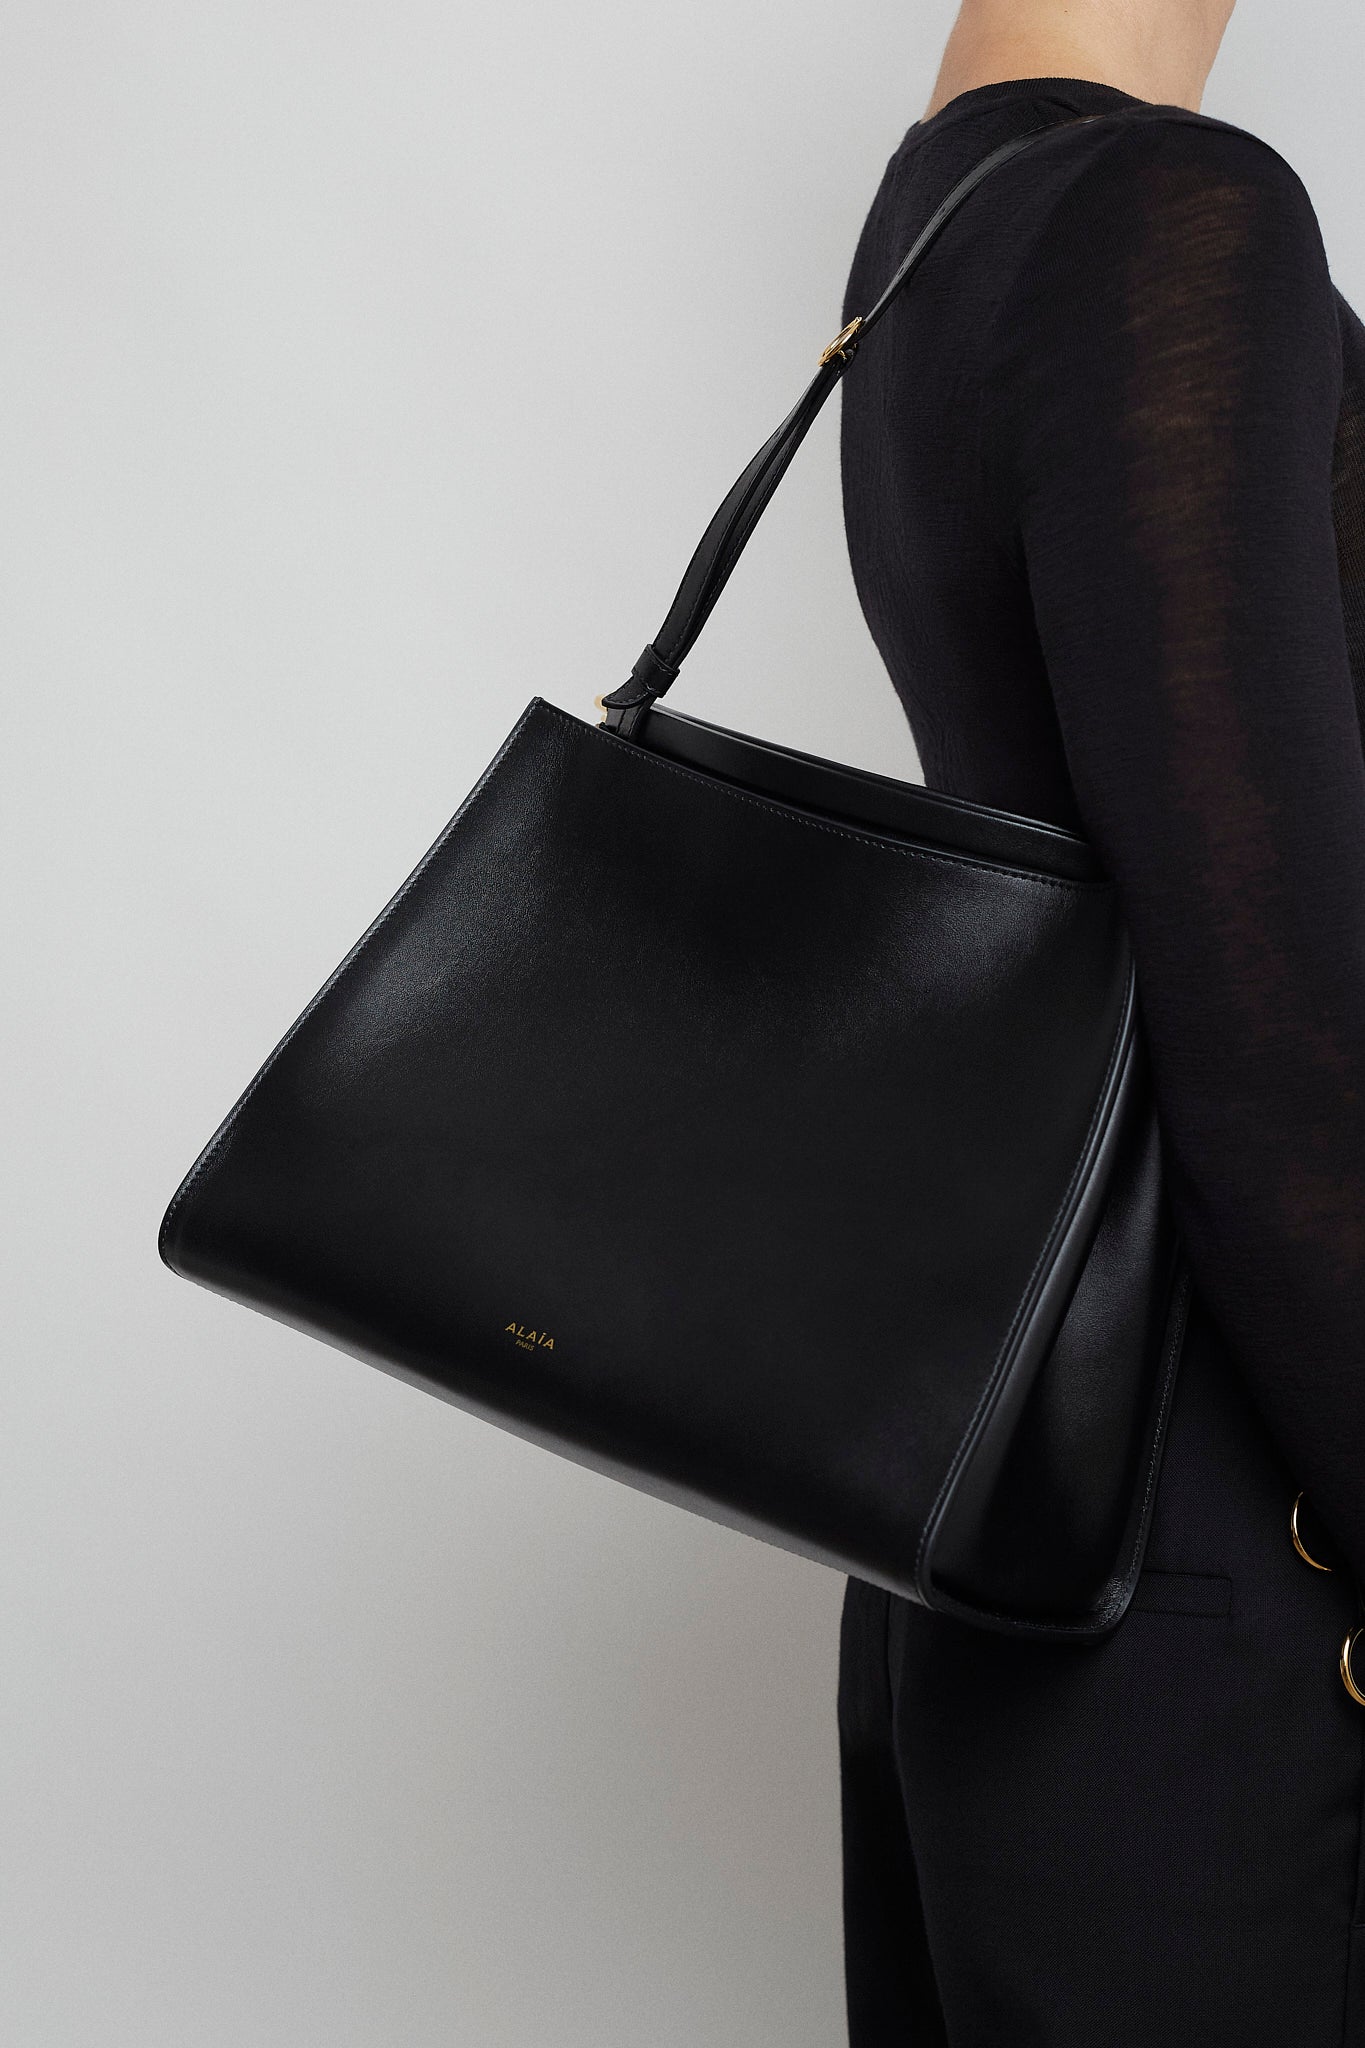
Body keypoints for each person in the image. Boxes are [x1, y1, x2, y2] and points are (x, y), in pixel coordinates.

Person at [835, 2, 1365, 2040]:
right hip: (1244, 1590)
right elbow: (1274, 1047)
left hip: (1026, 1536)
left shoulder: (934, 216)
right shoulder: (1168, 209)